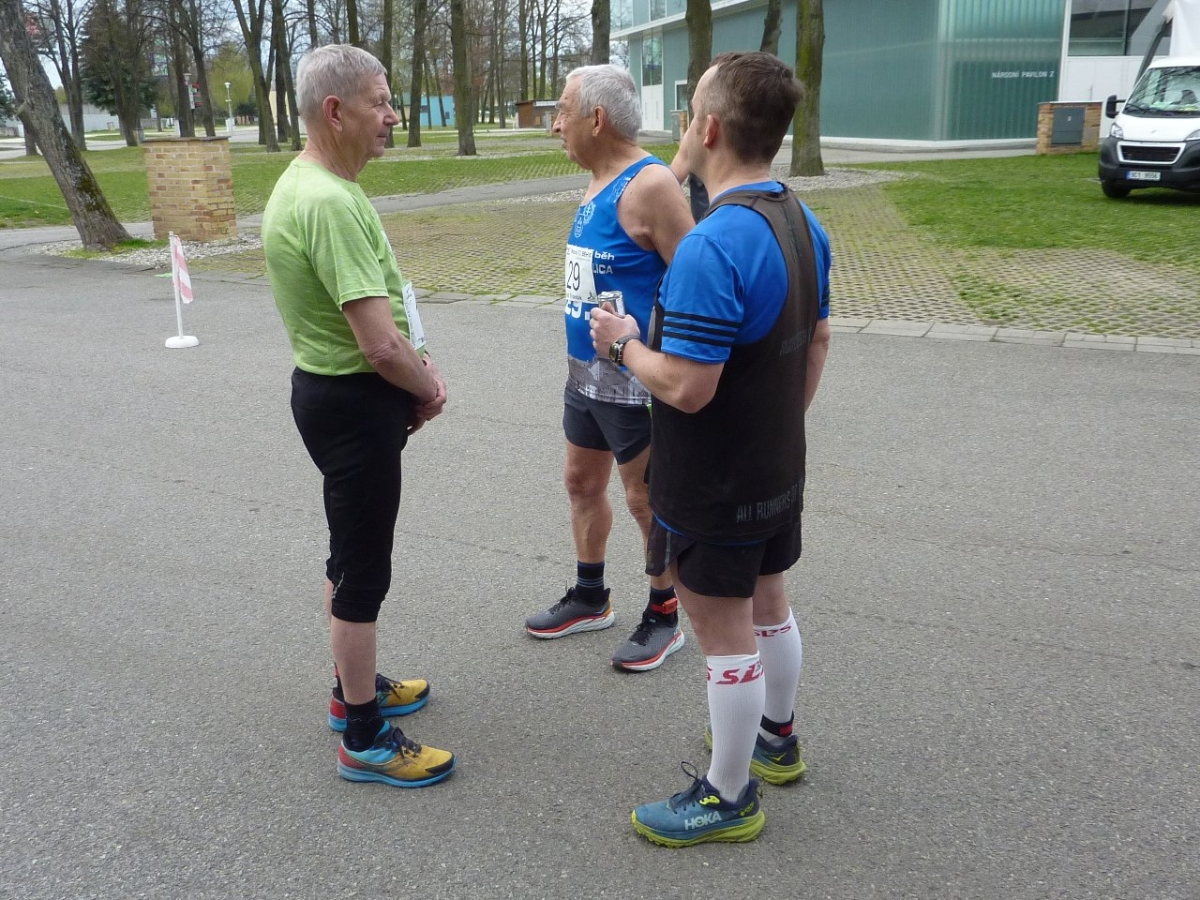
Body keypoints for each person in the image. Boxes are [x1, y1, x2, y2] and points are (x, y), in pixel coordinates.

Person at [590, 51, 833, 846]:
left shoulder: (712, 247)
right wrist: (776, 426)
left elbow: (688, 387)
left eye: (692, 110)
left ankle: (728, 796)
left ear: (711, 127)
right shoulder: (801, 219)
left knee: (722, 630)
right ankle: (776, 738)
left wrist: (624, 343)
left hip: (714, 477)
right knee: (770, 605)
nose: (685, 124)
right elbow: (818, 339)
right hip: (775, 464)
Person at [261, 44, 454, 788]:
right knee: (363, 569)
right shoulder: (330, 202)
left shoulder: (307, 183)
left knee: (348, 555)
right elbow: (378, 344)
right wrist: (426, 386)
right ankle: (364, 736)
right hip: (353, 401)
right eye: (379, 101)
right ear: (335, 111)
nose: (392, 115)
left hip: (330, 395)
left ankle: (354, 692)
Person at [523, 64, 696, 672]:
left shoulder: (648, 186)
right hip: (585, 376)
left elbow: (697, 286)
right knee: (580, 482)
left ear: (596, 119)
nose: (554, 127)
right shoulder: (601, 178)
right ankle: (592, 595)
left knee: (646, 499)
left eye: (562, 112)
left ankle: (665, 612)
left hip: (636, 380)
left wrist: (650, 350)